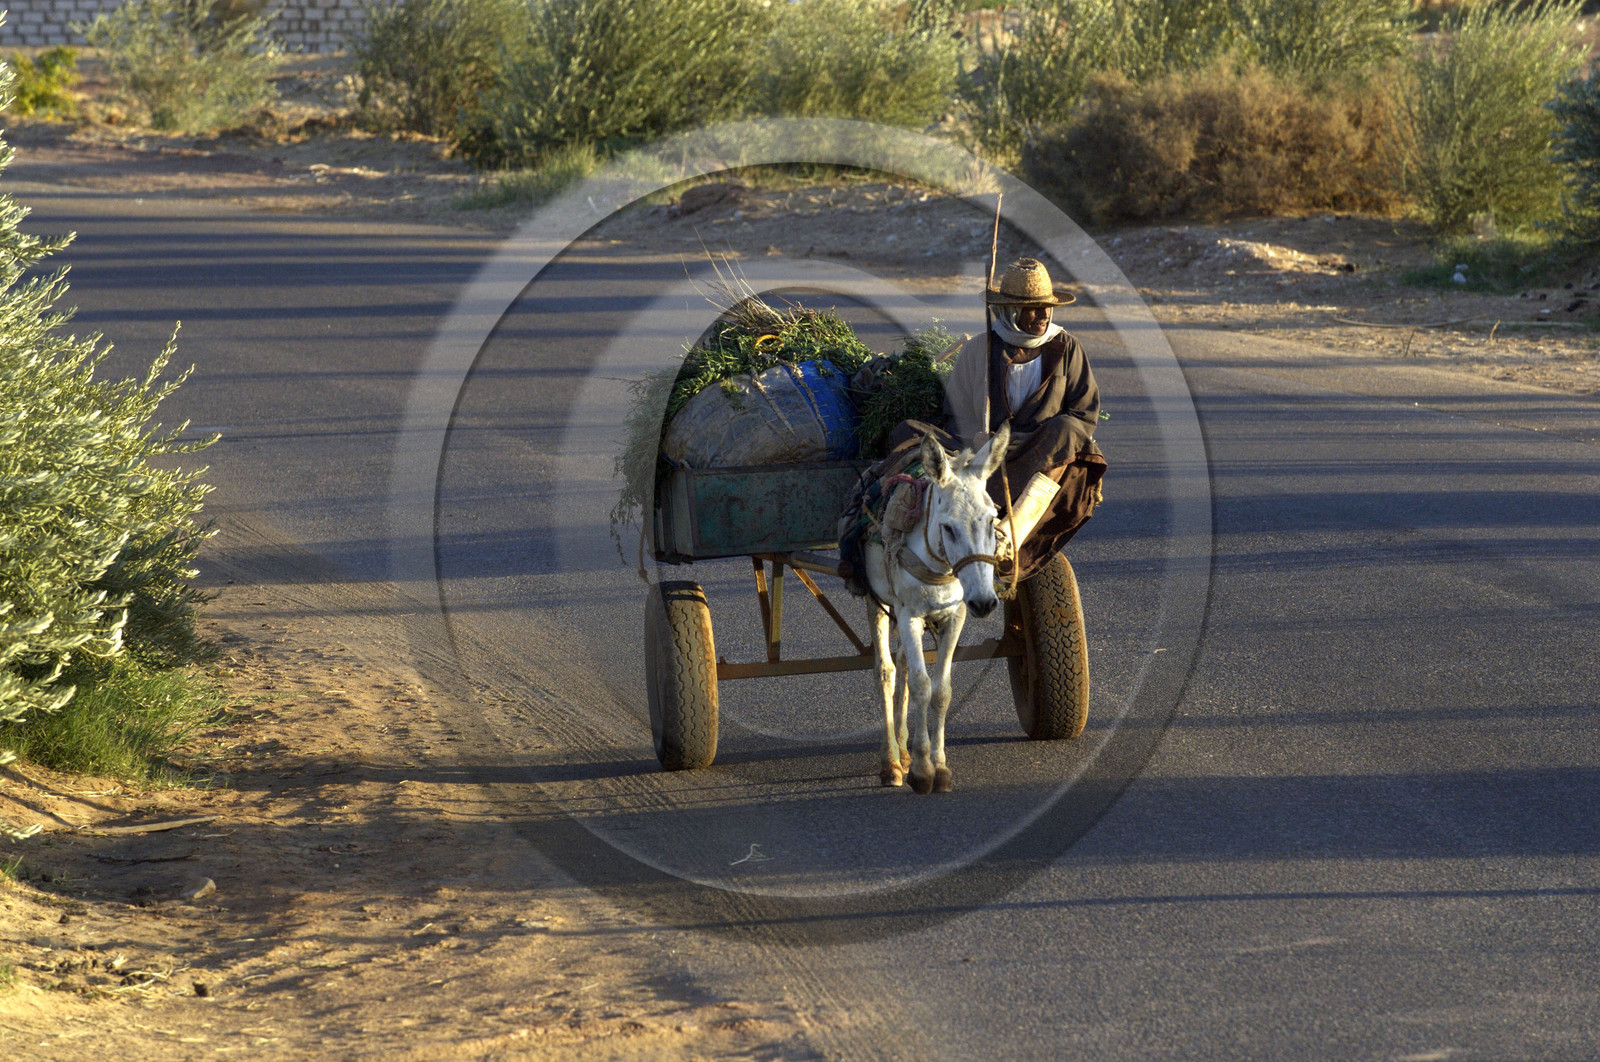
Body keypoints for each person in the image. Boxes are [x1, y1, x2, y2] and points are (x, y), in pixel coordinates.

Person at [900, 257, 1106, 582]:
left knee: (1069, 429)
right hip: (984, 452)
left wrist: (1024, 440)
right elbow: (955, 414)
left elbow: (1084, 413)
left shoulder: (1066, 348)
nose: (1042, 315)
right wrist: (978, 439)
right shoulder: (979, 350)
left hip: (1043, 452)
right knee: (908, 431)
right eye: (1032, 309)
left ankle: (1009, 533)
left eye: (1046, 307)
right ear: (1010, 310)